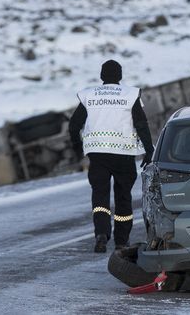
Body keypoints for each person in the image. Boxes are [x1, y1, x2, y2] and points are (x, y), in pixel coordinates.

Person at [69, 60, 154, 253]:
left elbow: (74, 125)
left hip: (97, 154)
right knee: (123, 197)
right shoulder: (129, 95)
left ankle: (101, 233)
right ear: (120, 76)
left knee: (100, 196)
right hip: (123, 154)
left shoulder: (89, 96)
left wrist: (77, 147)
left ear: (101, 76)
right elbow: (141, 124)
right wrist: (149, 150)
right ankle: (121, 242)